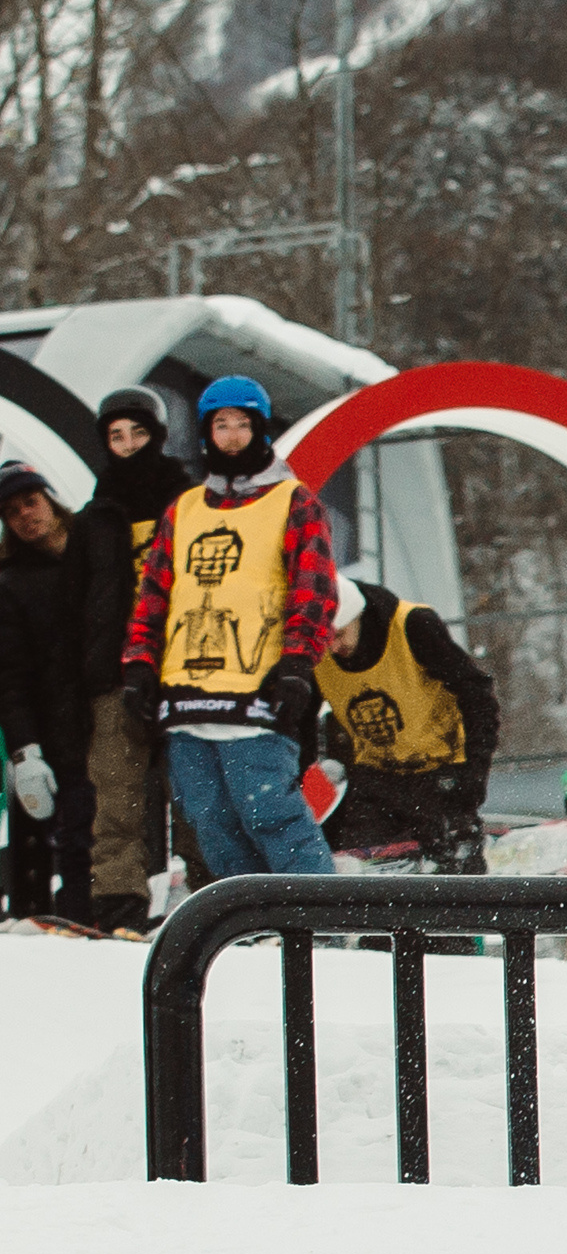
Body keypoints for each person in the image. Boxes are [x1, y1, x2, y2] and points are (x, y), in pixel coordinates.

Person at [121, 375, 337, 882]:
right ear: (206, 433)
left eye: (244, 424)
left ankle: (325, 923)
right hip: (188, 696)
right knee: (212, 825)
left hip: (258, 690)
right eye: (222, 425)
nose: (234, 436)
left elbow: (315, 590)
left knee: (270, 817)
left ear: (261, 431)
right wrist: (138, 668)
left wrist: (298, 665)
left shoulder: (294, 501)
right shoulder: (185, 508)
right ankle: (252, 929)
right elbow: (153, 597)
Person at [73, 387, 198, 932]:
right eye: (115, 436)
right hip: (113, 675)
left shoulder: (190, 501)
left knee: (193, 792)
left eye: (137, 433)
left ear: (158, 435)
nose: (126, 445)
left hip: (185, 669)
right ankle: (119, 906)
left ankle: (207, 893)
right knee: (116, 800)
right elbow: (75, 602)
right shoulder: (95, 515)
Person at [318, 573, 500, 873]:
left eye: (339, 634)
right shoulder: (316, 649)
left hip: (440, 772)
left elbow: (477, 695)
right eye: (325, 640)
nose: (333, 648)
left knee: (456, 874)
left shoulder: (413, 626)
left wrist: (473, 776)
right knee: (363, 878)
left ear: (357, 617)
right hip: (375, 779)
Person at [0, 461, 90, 920]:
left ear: (50, 499)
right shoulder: (11, 582)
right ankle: (67, 918)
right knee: (69, 832)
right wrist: (24, 750)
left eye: (31, 502)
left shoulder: (94, 551)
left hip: (113, 709)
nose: (25, 515)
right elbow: (9, 676)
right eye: (12, 511)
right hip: (55, 726)